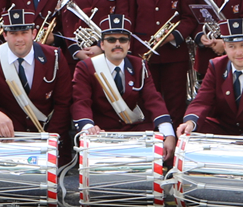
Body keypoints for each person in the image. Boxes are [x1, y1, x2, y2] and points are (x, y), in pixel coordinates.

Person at [71, 12, 175, 159]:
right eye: (111, 40)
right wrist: (88, 127)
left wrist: (168, 133)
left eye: (123, 40)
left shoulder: (139, 65)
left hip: (133, 131)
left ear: (129, 44)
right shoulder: (86, 67)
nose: (117, 44)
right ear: (102, 44)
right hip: (102, 132)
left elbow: (154, 100)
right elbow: (81, 102)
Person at [0, 6, 72, 140]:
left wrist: (50, 139)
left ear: (33, 33)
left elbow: (64, 103)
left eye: (24, 32)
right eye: (14, 34)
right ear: (5, 35)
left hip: (44, 131)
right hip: (8, 134)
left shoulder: (54, 57)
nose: (19, 39)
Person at [124, 0, 195, 121]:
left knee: (176, 105)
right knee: (146, 103)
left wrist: (173, 36)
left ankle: (174, 144)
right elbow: (129, 17)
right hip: (144, 54)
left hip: (174, 53)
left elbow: (189, 17)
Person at [179, 17, 243, 140]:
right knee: (193, 132)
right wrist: (190, 122)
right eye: (232, 46)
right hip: (223, 129)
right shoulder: (216, 66)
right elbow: (202, 101)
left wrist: (242, 141)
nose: (238, 52)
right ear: (224, 46)